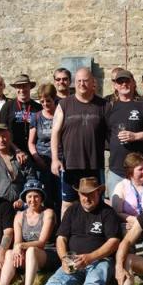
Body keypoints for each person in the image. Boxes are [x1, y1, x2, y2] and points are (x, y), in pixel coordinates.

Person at [0, 177, 121, 285]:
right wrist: (64, 258)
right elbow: (61, 238)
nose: (86, 198)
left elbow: (114, 242)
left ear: (98, 192)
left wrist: (90, 257)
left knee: (95, 278)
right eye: (83, 194)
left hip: (99, 259)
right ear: (78, 194)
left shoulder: (108, 212)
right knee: (56, 282)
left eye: (91, 194)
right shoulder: (72, 210)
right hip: (72, 259)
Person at [51, 67, 108, 217]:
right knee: (68, 204)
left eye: (85, 81)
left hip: (94, 165)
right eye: (79, 81)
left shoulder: (103, 105)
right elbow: (55, 132)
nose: (82, 84)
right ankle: (65, 231)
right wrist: (55, 159)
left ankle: (94, 231)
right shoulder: (64, 104)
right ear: (74, 82)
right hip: (70, 164)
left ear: (93, 82)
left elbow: (112, 133)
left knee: (95, 203)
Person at [0, 179, 59, 285]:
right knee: (9, 253)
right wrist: (18, 247)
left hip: (47, 253)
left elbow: (41, 243)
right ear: (25, 198)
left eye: (36, 196)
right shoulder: (19, 216)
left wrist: (21, 246)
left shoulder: (48, 213)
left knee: (31, 250)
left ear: (41, 198)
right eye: (29, 196)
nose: (32, 200)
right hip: (28, 255)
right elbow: (17, 241)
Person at [105, 69, 143, 196]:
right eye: (120, 82)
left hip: (141, 170)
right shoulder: (110, 106)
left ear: (133, 83)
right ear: (115, 85)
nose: (124, 84)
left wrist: (136, 136)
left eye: (127, 81)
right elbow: (107, 133)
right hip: (117, 171)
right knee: (116, 206)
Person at [0, 124, 34, 210]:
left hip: (21, 207)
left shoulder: (22, 157)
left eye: (4, 136)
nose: (1, 140)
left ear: (10, 138)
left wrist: (23, 198)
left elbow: (31, 179)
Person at [28, 84, 62, 214]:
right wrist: (37, 158)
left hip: (60, 161)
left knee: (60, 197)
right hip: (42, 162)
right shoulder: (36, 117)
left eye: (48, 101)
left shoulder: (61, 114)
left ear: (54, 99)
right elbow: (31, 142)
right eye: (42, 101)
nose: (45, 104)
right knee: (45, 197)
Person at [111, 152, 143, 231]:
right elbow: (117, 212)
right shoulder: (121, 186)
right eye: (141, 169)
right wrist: (136, 222)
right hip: (130, 227)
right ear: (130, 171)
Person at [0, 74, 42, 154]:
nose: (22, 90)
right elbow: (1, 131)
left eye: (25, 86)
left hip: (35, 151)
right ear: (15, 88)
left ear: (30, 87)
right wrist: (15, 149)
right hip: (12, 151)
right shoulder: (7, 107)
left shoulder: (38, 107)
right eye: (19, 87)